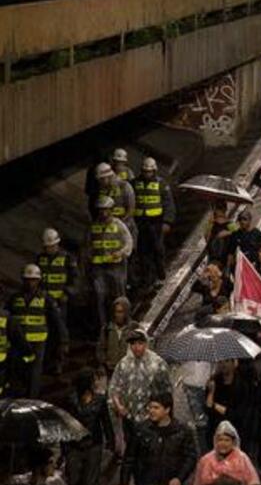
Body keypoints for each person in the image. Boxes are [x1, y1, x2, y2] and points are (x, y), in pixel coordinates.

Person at [118, 392, 198, 485]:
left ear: (167, 409)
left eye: (156, 407)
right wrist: (124, 483)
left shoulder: (182, 431)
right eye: (150, 407)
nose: (151, 411)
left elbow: (191, 457)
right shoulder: (141, 430)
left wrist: (180, 478)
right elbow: (129, 457)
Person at [109, 329, 171, 449]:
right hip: (129, 417)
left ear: (146, 344)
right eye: (133, 344)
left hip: (151, 418)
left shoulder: (157, 364)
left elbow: (167, 392)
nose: (136, 347)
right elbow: (114, 388)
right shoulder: (123, 364)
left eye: (140, 343)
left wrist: (166, 416)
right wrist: (119, 406)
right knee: (131, 448)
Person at [189, 421, 260, 485]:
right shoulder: (206, 461)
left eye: (227, 440)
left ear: (233, 442)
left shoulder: (242, 459)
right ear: (215, 441)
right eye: (220, 440)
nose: (223, 443)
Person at [10, 263, 60, 397]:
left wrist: (63, 341)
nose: (30, 283)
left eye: (33, 280)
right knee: (19, 370)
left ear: (38, 281)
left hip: (38, 341)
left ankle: (33, 398)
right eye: (27, 279)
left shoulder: (46, 298)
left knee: (35, 372)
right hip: (20, 342)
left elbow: (56, 321)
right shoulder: (15, 298)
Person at [86, 194, 133, 332]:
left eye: (106, 209)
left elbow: (128, 242)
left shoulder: (119, 226)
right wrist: (87, 263)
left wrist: (121, 252)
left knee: (119, 295)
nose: (103, 212)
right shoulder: (93, 227)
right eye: (100, 210)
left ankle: (124, 323)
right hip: (98, 268)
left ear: (111, 210)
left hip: (115, 266)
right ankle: (103, 326)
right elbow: (88, 246)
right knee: (100, 296)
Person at [36, 227, 76, 374]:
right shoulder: (41, 259)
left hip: (60, 301)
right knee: (48, 332)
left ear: (57, 244)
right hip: (45, 302)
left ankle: (60, 361)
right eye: (47, 247)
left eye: (51, 246)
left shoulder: (66, 258)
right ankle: (48, 361)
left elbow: (75, 279)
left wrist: (67, 293)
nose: (49, 249)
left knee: (60, 331)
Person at [133, 157, 176, 290]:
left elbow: (169, 204)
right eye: (145, 171)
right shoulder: (134, 183)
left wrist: (167, 222)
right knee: (143, 252)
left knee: (158, 249)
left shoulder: (161, 184)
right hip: (141, 223)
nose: (147, 174)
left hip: (156, 223)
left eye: (149, 172)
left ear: (154, 171)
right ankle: (147, 279)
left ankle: (160, 274)